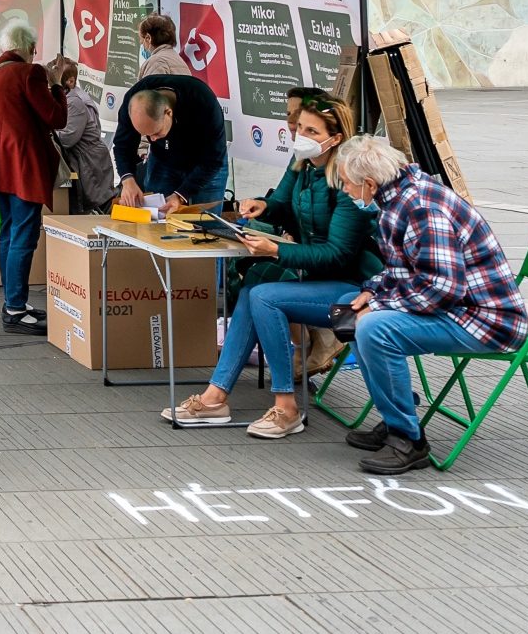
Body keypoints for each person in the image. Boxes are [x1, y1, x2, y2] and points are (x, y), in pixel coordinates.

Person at [161, 91, 376, 436]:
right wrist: (262, 206)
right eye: (300, 128)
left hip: (355, 292)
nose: (301, 136)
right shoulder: (302, 165)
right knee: (251, 291)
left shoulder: (346, 181)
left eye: (312, 132)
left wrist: (275, 251)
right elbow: (282, 205)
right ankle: (216, 397)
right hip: (318, 278)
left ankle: (286, 406)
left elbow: (338, 254)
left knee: (263, 296)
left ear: (335, 139)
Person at [330, 134, 528, 475]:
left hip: (484, 321)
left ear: (369, 183)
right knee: (353, 307)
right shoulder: (398, 198)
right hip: (461, 309)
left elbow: (442, 289)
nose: (346, 192)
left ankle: (408, 439)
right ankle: (396, 412)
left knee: (374, 327)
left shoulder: (422, 207)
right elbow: (404, 269)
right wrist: (372, 292)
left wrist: (378, 305)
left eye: (347, 185)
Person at [0, 23, 67, 335]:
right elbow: (55, 117)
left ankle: (14, 301)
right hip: (21, 164)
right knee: (24, 236)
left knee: (10, 233)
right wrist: (57, 86)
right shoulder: (31, 73)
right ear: (28, 46)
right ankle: (15, 308)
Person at [113, 73, 228, 212]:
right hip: (163, 160)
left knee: (207, 223)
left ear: (168, 113)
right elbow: (122, 145)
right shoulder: (134, 102)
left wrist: (180, 195)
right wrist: (128, 179)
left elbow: (214, 159)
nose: (152, 139)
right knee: (156, 219)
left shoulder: (202, 101)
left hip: (204, 162)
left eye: (156, 132)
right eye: (146, 135)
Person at [47, 57, 115, 215]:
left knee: (100, 211)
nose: (49, 85)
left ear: (70, 81)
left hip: (91, 166)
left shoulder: (76, 102)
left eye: (53, 79)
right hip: (86, 164)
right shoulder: (69, 98)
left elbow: (67, 138)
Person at [133, 14, 192, 78]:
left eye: (141, 39)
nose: (141, 42)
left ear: (148, 38)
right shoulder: (179, 60)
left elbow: (151, 87)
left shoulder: (156, 62)